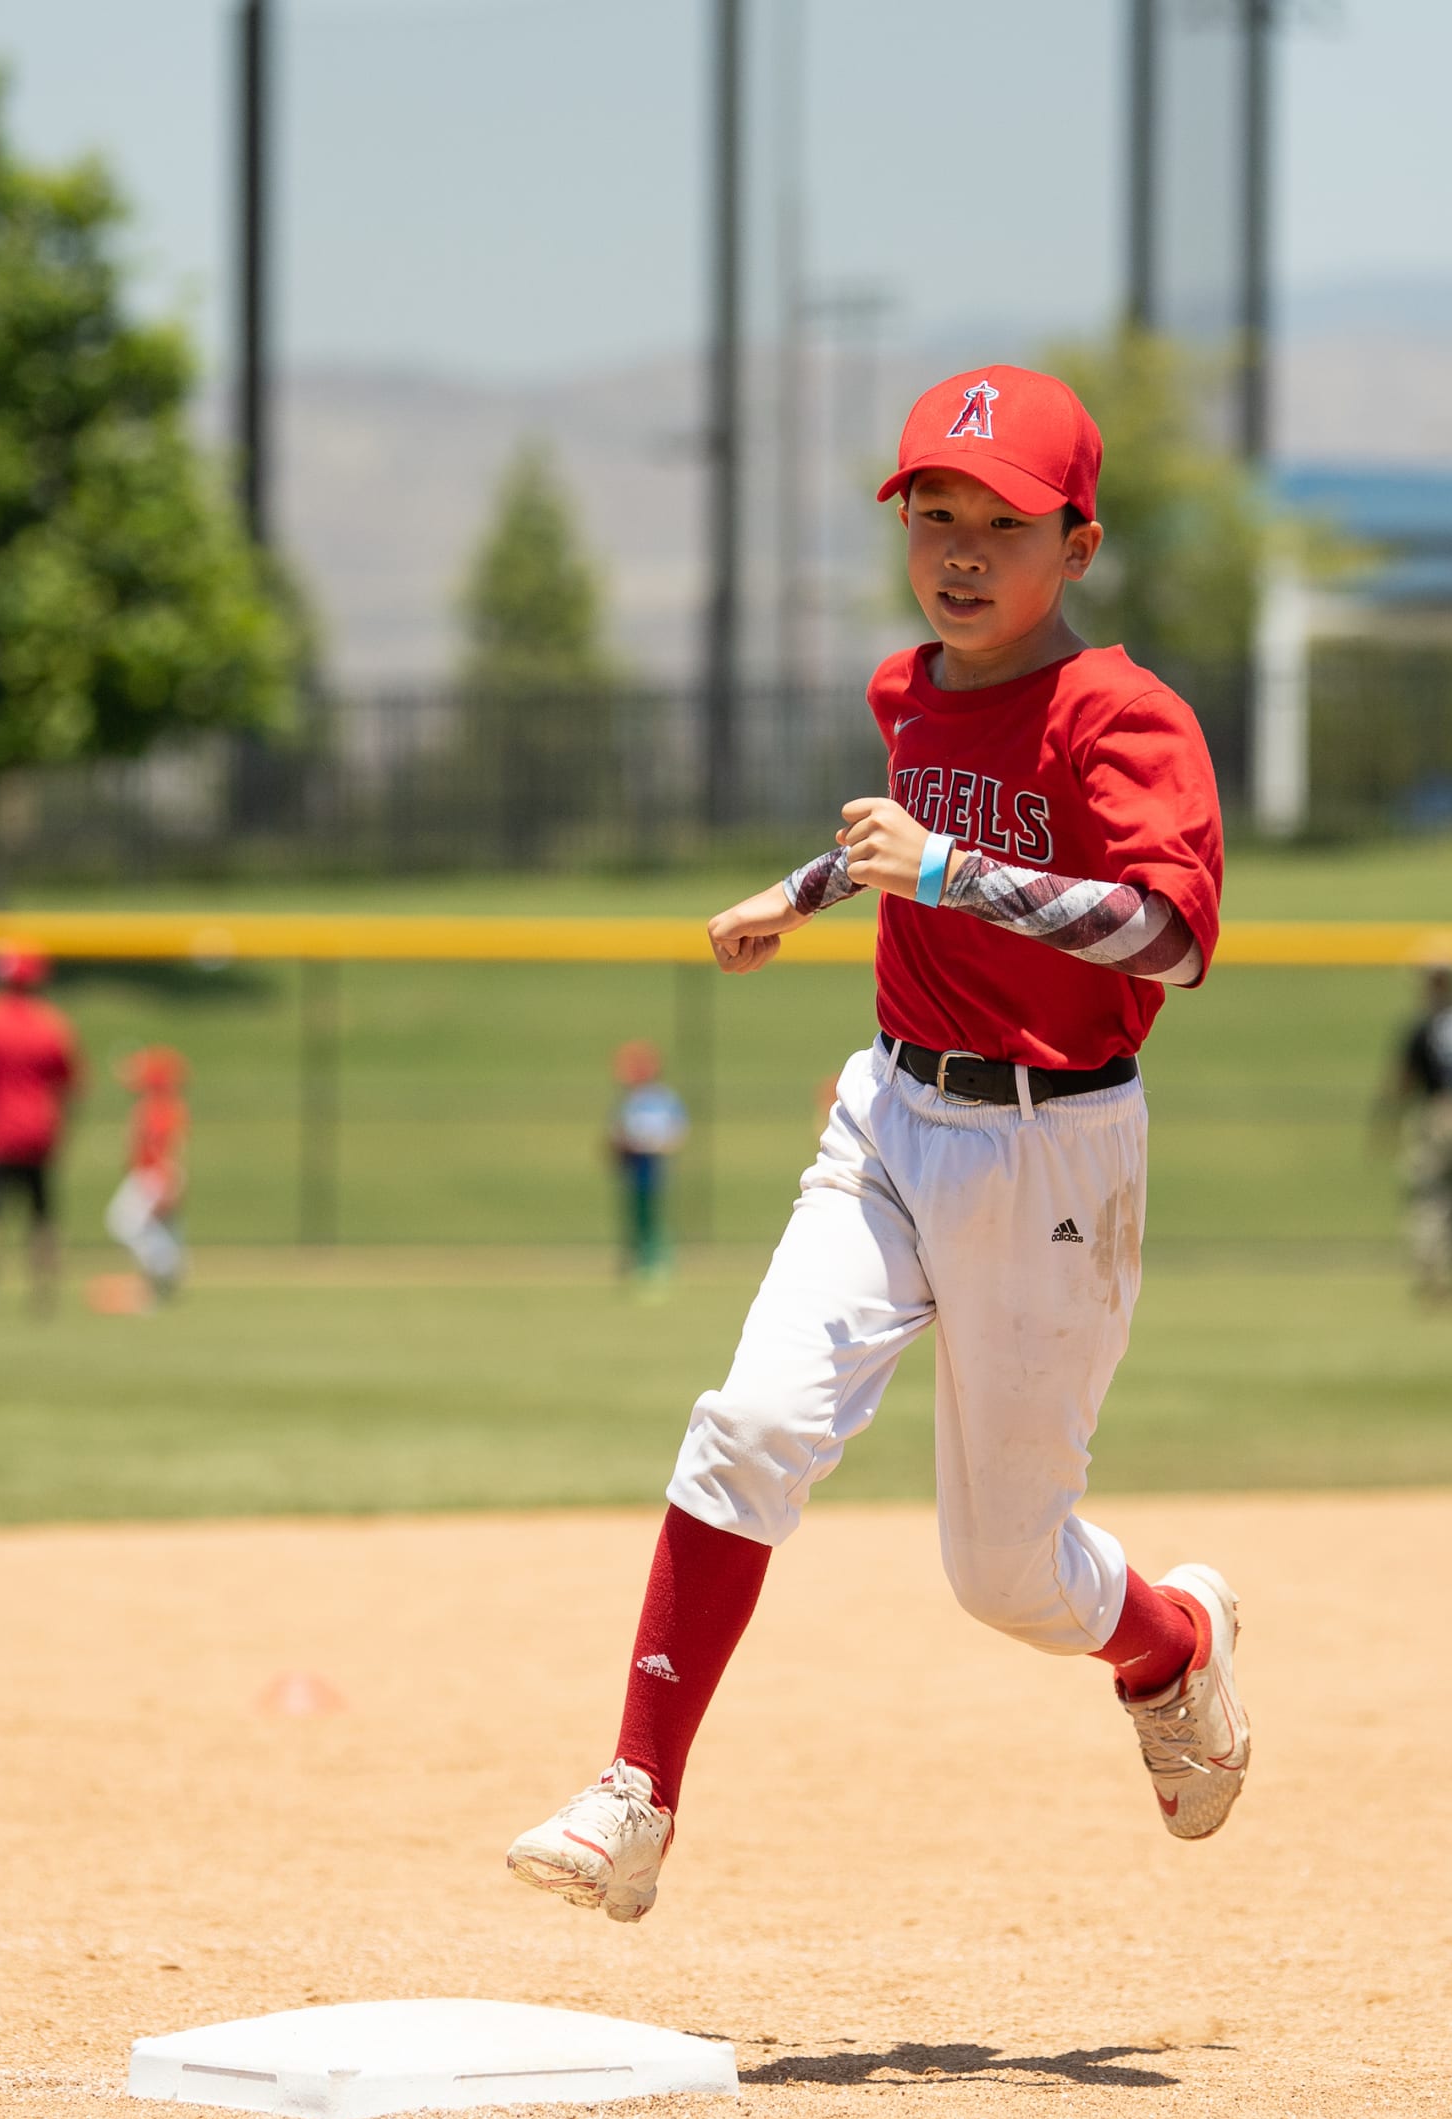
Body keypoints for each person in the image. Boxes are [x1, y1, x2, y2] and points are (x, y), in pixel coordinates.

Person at [507, 364, 1246, 1927]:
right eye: (933, 514)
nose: (960, 550)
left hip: (1056, 1156)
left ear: (1079, 544)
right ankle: (635, 1797)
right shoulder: (908, 686)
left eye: (1003, 523)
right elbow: (894, 839)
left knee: (1006, 1577)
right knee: (750, 1423)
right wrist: (801, 895)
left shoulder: (1124, 715)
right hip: (892, 1117)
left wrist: (949, 873)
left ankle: (1173, 1644)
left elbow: (1172, 938)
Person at [0, 939, 84, 1317]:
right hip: (41, 1132)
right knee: (42, 1217)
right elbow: (72, 1084)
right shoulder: (53, 1023)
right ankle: (45, 1300)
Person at [1374, 947, 1452, 1308]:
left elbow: (1403, 1080)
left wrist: (1388, 1122)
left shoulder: (1427, 1023)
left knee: (1430, 1199)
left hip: (1438, 1114)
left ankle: (1433, 1282)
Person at [104, 1048, 190, 1304]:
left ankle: (164, 1268)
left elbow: (167, 1149)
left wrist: (167, 1182)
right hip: (151, 1173)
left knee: (124, 1222)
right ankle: (161, 1276)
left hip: (154, 1175)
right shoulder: (156, 1105)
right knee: (154, 1227)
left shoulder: (158, 1107)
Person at [605, 1040, 687, 1289]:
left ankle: (656, 1260)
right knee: (636, 1214)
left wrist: (660, 1144)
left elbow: (676, 1129)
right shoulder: (630, 1100)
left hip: (653, 1162)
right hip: (634, 1163)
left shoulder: (662, 1098)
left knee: (652, 1214)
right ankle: (636, 1259)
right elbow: (618, 1131)